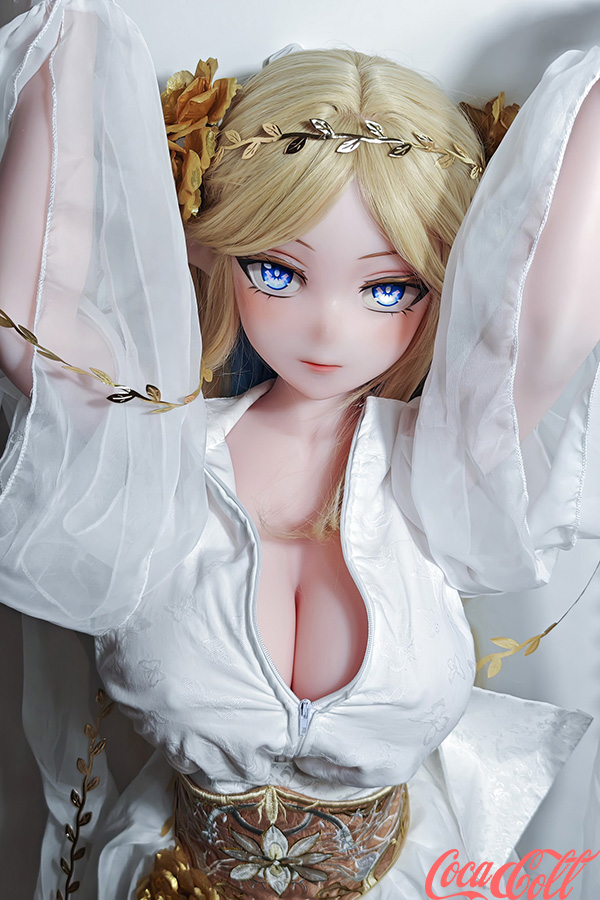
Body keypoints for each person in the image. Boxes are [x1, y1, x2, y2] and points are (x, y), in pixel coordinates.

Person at [0, 1, 599, 897]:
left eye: (388, 288)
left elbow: (546, 328)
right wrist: (71, 22)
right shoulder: (157, 453)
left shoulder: (438, 466)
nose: (327, 329)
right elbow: (28, 312)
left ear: (447, 286)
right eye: (276, 271)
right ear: (215, 256)